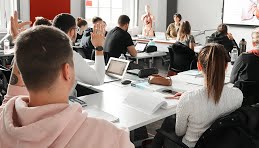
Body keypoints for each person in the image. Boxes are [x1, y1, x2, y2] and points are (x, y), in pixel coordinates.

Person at [0, 16, 133, 147]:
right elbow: (98, 79)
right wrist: (99, 47)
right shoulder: (111, 136)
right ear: (67, 71)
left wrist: (23, 45)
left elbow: (11, 96)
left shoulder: (5, 117)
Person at [152, 44, 243, 148]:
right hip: (218, 143)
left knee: (168, 121)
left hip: (190, 146)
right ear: (226, 66)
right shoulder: (238, 95)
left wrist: (188, 98)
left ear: (199, 66)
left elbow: (179, 132)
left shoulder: (188, 99)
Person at [52, 13, 105, 89]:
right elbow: (98, 79)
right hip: (65, 100)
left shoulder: (43, 50)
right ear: (72, 32)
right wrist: (99, 47)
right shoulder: (70, 57)